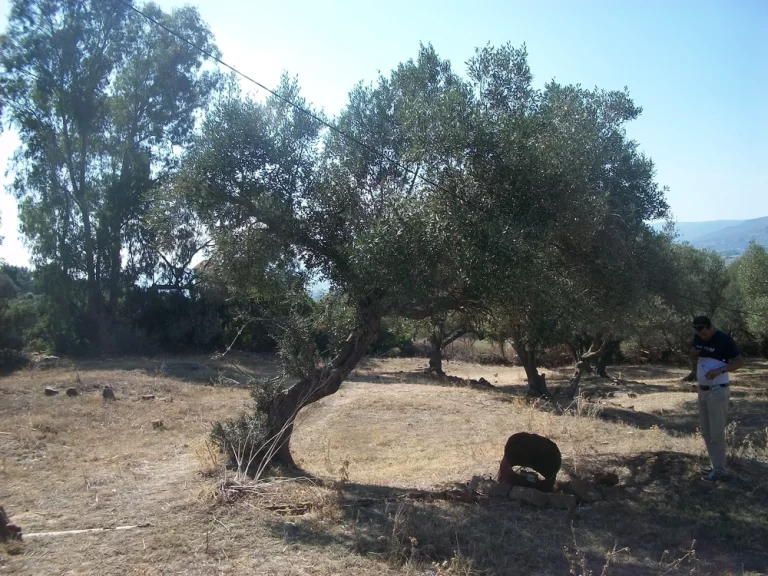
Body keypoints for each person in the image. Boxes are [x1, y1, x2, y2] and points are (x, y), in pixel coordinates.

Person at [690, 315, 744, 482]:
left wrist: (720, 370)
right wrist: (692, 355)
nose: (703, 337)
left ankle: (720, 470)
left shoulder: (724, 340)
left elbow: (739, 362)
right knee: (706, 431)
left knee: (717, 433)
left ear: (710, 327)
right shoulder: (697, 337)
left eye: (706, 334)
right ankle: (714, 465)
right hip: (703, 390)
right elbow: (693, 357)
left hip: (718, 390)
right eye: (700, 335)